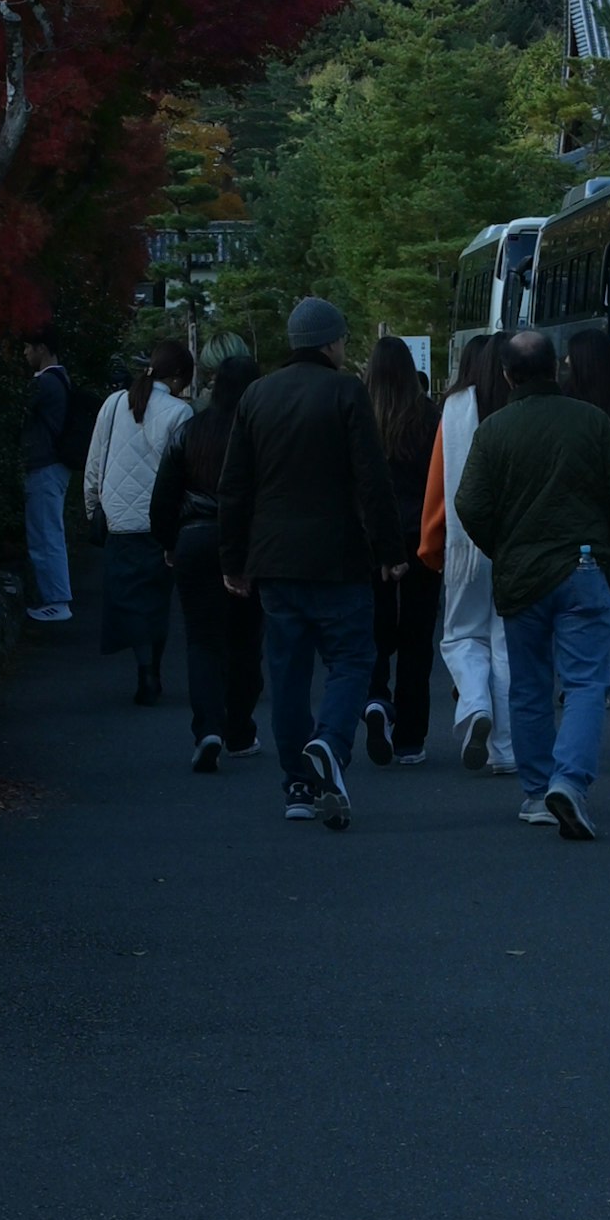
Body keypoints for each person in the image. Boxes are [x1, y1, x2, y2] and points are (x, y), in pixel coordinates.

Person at [217, 297, 400, 831]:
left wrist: (234, 560)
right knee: (351, 659)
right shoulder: (346, 392)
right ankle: (330, 743)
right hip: (338, 556)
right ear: (329, 343)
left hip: (273, 560)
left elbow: (235, 486)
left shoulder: (257, 395)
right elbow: (372, 477)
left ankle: (297, 783)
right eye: (342, 339)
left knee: (288, 672)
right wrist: (390, 551)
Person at [456, 328, 610, 841]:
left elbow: (469, 504)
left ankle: (538, 791)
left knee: (529, 686)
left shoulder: (493, 430)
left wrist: (504, 547)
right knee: (585, 683)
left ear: (507, 375)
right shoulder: (591, 421)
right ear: (556, 370)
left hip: (522, 576)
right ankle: (571, 781)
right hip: (584, 568)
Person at [154, 343, 262, 769]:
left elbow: (164, 496)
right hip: (248, 544)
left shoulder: (189, 431)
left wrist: (168, 541)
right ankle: (239, 730)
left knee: (202, 640)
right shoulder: (258, 435)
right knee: (246, 641)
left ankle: (208, 729)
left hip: (194, 540)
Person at [87, 331, 194, 705]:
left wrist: (93, 508)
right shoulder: (180, 413)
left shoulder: (114, 403)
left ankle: (143, 668)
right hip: (158, 522)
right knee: (156, 601)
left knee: (128, 600)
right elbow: (184, 473)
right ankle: (154, 671)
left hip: (119, 520)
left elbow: (95, 463)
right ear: (179, 376)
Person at [422, 331, 507, 773]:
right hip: (518, 546)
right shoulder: (521, 407)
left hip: (465, 544)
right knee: (507, 644)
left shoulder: (454, 409)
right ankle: (506, 749)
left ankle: (475, 706)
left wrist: (431, 543)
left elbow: (438, 484)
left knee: (462, 637)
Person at [363, 331, 440, 763]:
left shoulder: (361, 415)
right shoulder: (428, 416)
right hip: (420, 536)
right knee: (417, 637)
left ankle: (376, 699)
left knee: (372, 627)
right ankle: (411, 736)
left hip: (371, 537)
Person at [17, 324, 76, 629]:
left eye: (28, 348)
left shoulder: (45, 383)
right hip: (55, 465)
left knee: (45, 535)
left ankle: (57, 601)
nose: (25, 354)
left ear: (41, 348)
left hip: (45, 465)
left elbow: (17, 408)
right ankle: (56, 598)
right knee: (49, 532)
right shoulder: (61, 379)